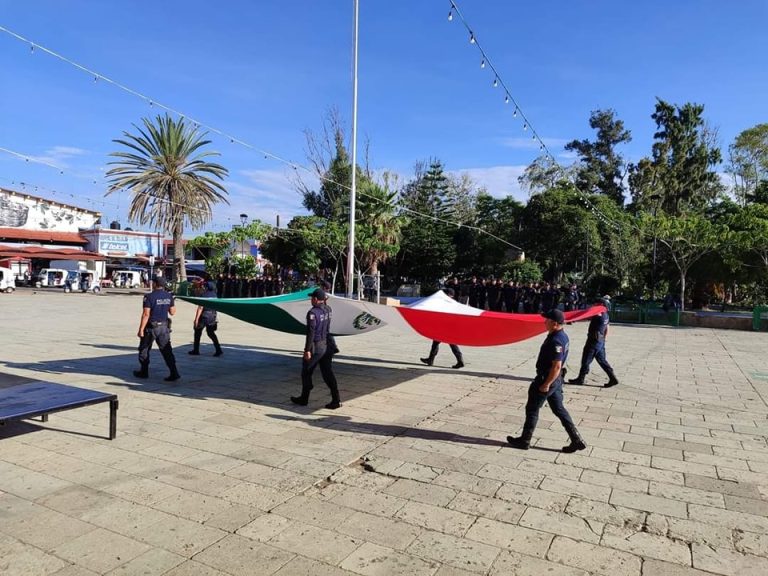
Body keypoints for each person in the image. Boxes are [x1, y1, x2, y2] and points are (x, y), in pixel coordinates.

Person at [507, 308, 586, 453]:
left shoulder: (556, 340)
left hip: (549, 378)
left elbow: (556, 366)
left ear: (555, 323)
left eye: (547, 320)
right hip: (556, 380)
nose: (544, 322)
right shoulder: (561, 335)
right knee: (559, 410)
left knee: (532, 409)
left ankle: (525, 440)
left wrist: (546, 384)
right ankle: (577, 440)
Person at [291, 288, 341, 409]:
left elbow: (311, 333)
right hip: (327, 345)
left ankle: (305, 396)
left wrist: (307, 350)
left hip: (316, 346)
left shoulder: (312, 313)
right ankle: (336, 400)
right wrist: (324, 300)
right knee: (327, 373)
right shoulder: (328, 309)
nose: (310, 300)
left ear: (315, 299)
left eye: (312, 298)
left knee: (306, 371)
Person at [134, 276, 180, 381]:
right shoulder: (169, 296)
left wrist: (141, 329)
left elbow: (146, 314)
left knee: (144, 349)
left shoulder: (149, 297)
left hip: (151, 328)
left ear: (155, 284)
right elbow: (172, 312)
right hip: (164, 327)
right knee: (167, 350)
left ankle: (144, 372)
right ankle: (174, 372)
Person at [568, 297, 619, 387]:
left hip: (593, 341)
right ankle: (613, 378)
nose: (594, 305)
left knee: (586, 359)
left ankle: (581, 379)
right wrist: (603, 339)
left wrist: (572, 317)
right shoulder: (606, 314)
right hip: (600, 340)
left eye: (596, 303)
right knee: (602, 361)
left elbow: (586, 315)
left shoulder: (598, 313)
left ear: (601, 305)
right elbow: (607, 328)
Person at [419, 287, 464, 369]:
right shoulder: (454, 303)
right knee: (441, 343)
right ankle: (459, 360)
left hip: (445, 327)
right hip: (448, 326)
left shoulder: (447, 303)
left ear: (449, 295)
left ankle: (431, 360)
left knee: (441, 343)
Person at [189, 281, 223, 357]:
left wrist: (196, 319)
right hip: (212, 316)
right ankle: (218, 349)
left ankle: (196, 350)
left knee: (197, 332)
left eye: (204, 286)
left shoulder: (204, 295)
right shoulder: (215, 295)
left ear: (206, 287)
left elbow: (200, 308)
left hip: (204, 316)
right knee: (211, 333)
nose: (203, 287)